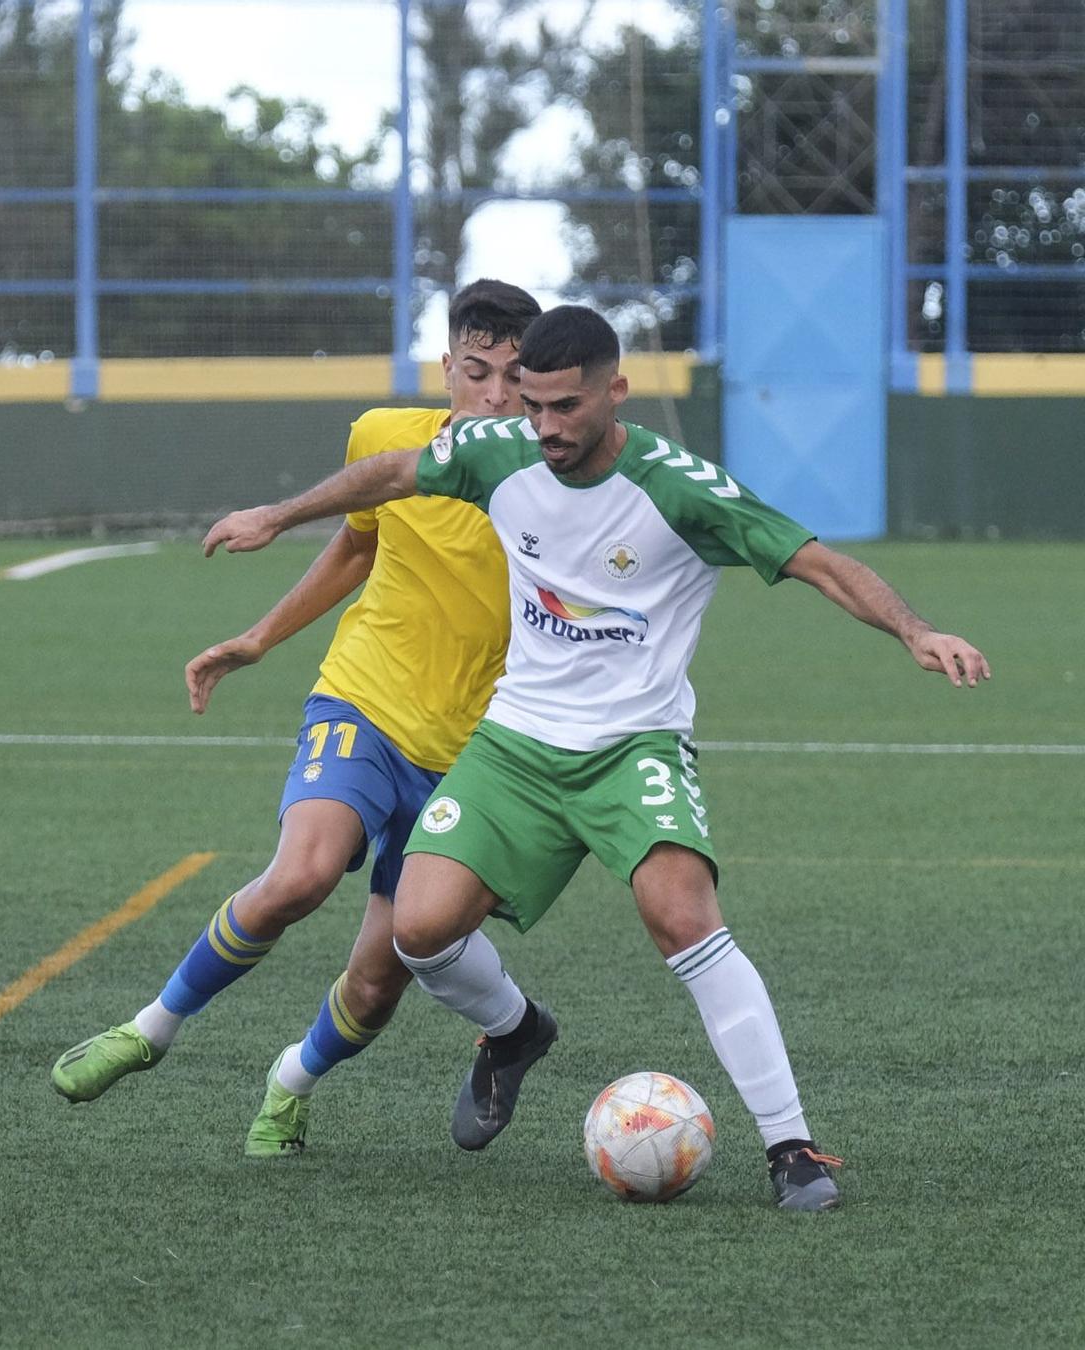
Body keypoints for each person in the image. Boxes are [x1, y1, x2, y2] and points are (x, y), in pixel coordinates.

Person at [201, 305, 990, 1210]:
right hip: (515, 745)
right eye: (532, 406)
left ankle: (792, 1149)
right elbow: (391, 472)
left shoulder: (680, 486)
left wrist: (915, 630)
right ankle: (513, 1032)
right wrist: (278, 513)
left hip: (632, 748)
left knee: (681, 914)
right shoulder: (503, 452)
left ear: (616, 391)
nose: (544, 428)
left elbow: (816, 562)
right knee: (419, 929)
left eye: (566, 407)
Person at [50, 280, 543, 1155]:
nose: (495, 396)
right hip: (364, 699)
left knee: (378, 979)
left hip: (475, 754)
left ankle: (291, 1084)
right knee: (300, 876)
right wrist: (259, 638)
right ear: (447, 368)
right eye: (477, 372)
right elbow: (359, 543)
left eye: (514, 377)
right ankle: (150, 1030)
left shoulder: (555, 483)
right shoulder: (385, 439)